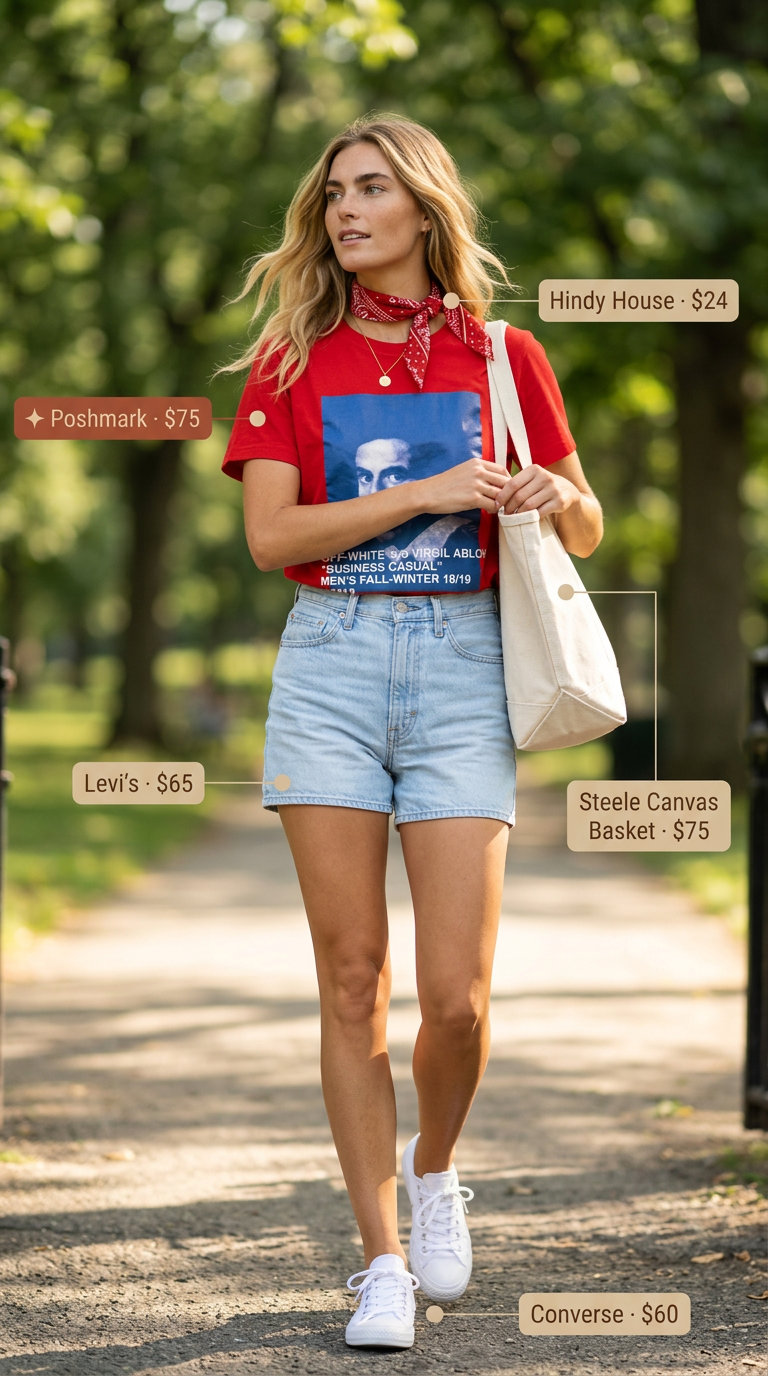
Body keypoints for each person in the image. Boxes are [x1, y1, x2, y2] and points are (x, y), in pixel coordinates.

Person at [220, 113, 602, 1350]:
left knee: (455, 998)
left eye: (372, 188)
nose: (345, 210)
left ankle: (436, 1166)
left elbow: (587, 526)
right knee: (350, 981)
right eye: (334, 192)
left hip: (464, 670)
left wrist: (553, 490)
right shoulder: (292, 358)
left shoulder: (504, 353)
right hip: (332, 664)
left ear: (425, 207)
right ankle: (380, 1256)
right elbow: (274, 540)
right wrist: (429, 491)